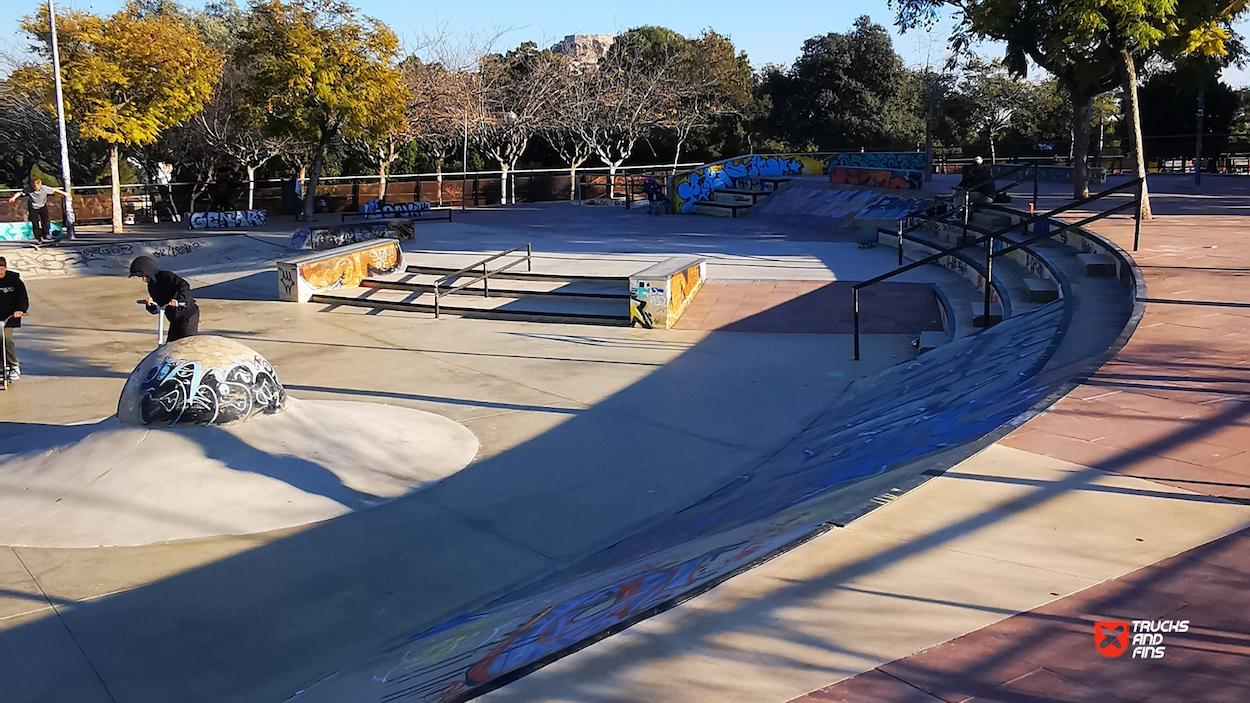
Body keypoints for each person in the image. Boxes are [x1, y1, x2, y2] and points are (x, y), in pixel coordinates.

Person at [129, 256, 200, 342]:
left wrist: (179, 300)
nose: (141, 279)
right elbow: (158, 308)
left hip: (187, 314)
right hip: (175, 318)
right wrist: (150, 305)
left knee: (185, 342)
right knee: (170, 345)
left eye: (141, 275)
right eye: (139, 277)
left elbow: (184, 286)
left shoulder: (166, 276)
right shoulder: (152, 287)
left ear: (148, 270)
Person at [8, 179, 69, 245]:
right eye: (34, 187)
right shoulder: (29, 189)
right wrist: (13, 198)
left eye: (37, 188)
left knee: (45, 221)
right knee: (35, 223)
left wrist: (64, 193)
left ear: (40, 186)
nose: (35, 189)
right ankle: (39, 237)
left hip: (42, 206)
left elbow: (54, 190)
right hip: (33, 208)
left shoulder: (45, 188)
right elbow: (20, 193)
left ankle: (45, 234)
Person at [0, 256, 29, 380]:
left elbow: (22, 297)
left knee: (5, 339)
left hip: (9, 316)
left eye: (1, 270)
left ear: (5, 268)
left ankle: (14, 365)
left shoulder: (14, 280)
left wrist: (20, 310)